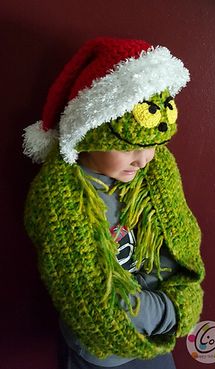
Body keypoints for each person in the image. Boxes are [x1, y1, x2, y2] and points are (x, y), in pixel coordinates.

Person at [23, 37, 205, 369]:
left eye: (152, 144)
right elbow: (92, 302)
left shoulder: (156, 171)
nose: (143, 159)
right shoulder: (59, 197)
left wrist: (182, 299)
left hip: (157, 340)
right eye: (128, 146)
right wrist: (173, 311)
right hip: (99, 354)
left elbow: (181, 252)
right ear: (90, 133)